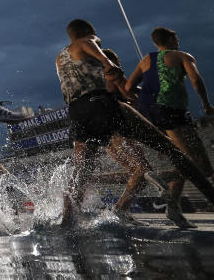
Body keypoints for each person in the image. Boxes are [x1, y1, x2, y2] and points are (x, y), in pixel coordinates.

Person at [55, 19, 214, 227]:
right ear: (85, 32)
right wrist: (108, 62)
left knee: (81, 173)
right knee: (175, 153)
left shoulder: (60, 58)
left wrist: (126, 87)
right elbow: (93, 48)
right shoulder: (87, 40)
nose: (97, 41)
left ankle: (66, 221)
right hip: (102, 104)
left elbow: (117, 85)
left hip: (77, 111)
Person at [125, 27, 214, 228]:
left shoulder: (147, 59)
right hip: (172, 112)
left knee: (182, 160)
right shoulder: (183, 56)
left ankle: (173, 208)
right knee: (197, 162)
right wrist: (206, 104)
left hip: (150, 114)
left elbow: (129, 88)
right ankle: (160, 183)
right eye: (176, 37)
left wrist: (145, 101)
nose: (178, 40)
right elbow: (196, 80)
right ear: (171, 39)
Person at [94, 47, 164, 225]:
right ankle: (119, 211)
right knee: (142, 169)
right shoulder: (112, 75)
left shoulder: (96, 83)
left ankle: (120, 210)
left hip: (106, 134)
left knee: (137, 175)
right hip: (116, 132)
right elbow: (129, 95)